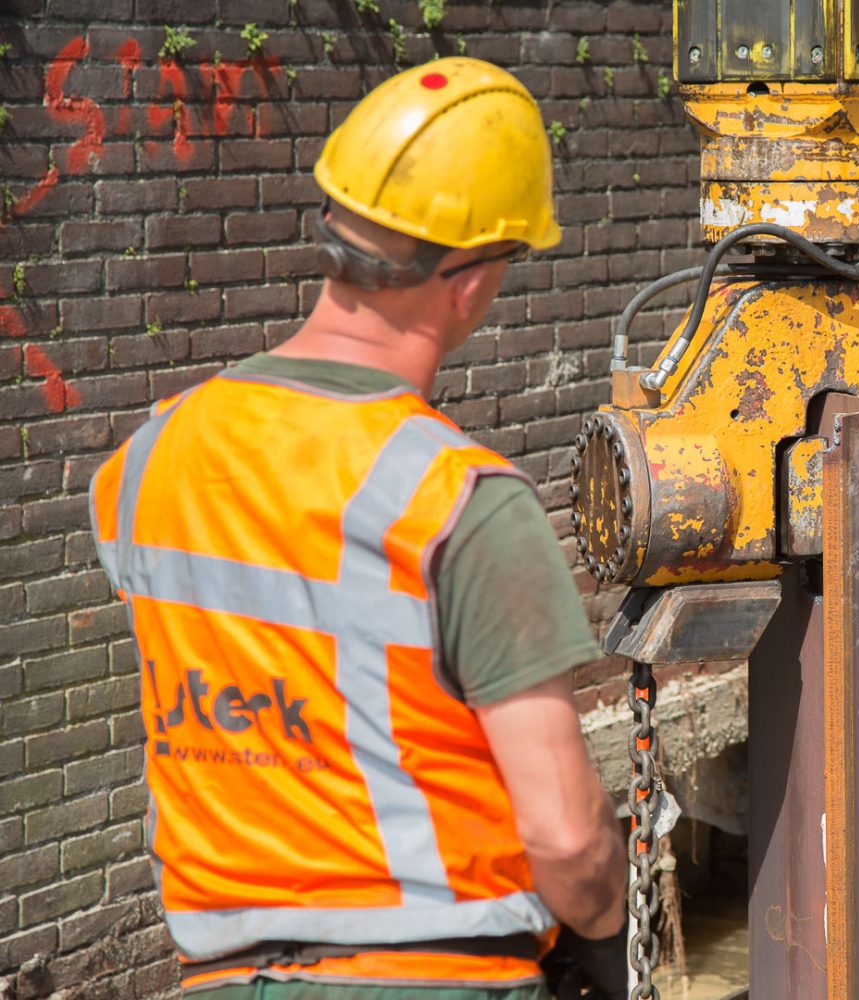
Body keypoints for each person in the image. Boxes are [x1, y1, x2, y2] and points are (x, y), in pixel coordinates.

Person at [88, 58, 627, 1000]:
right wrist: (610, 922)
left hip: (213, 978)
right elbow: (569, 842)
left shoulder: (143, 467)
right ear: (468, 282)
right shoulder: (462, 502)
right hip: (436, 978)